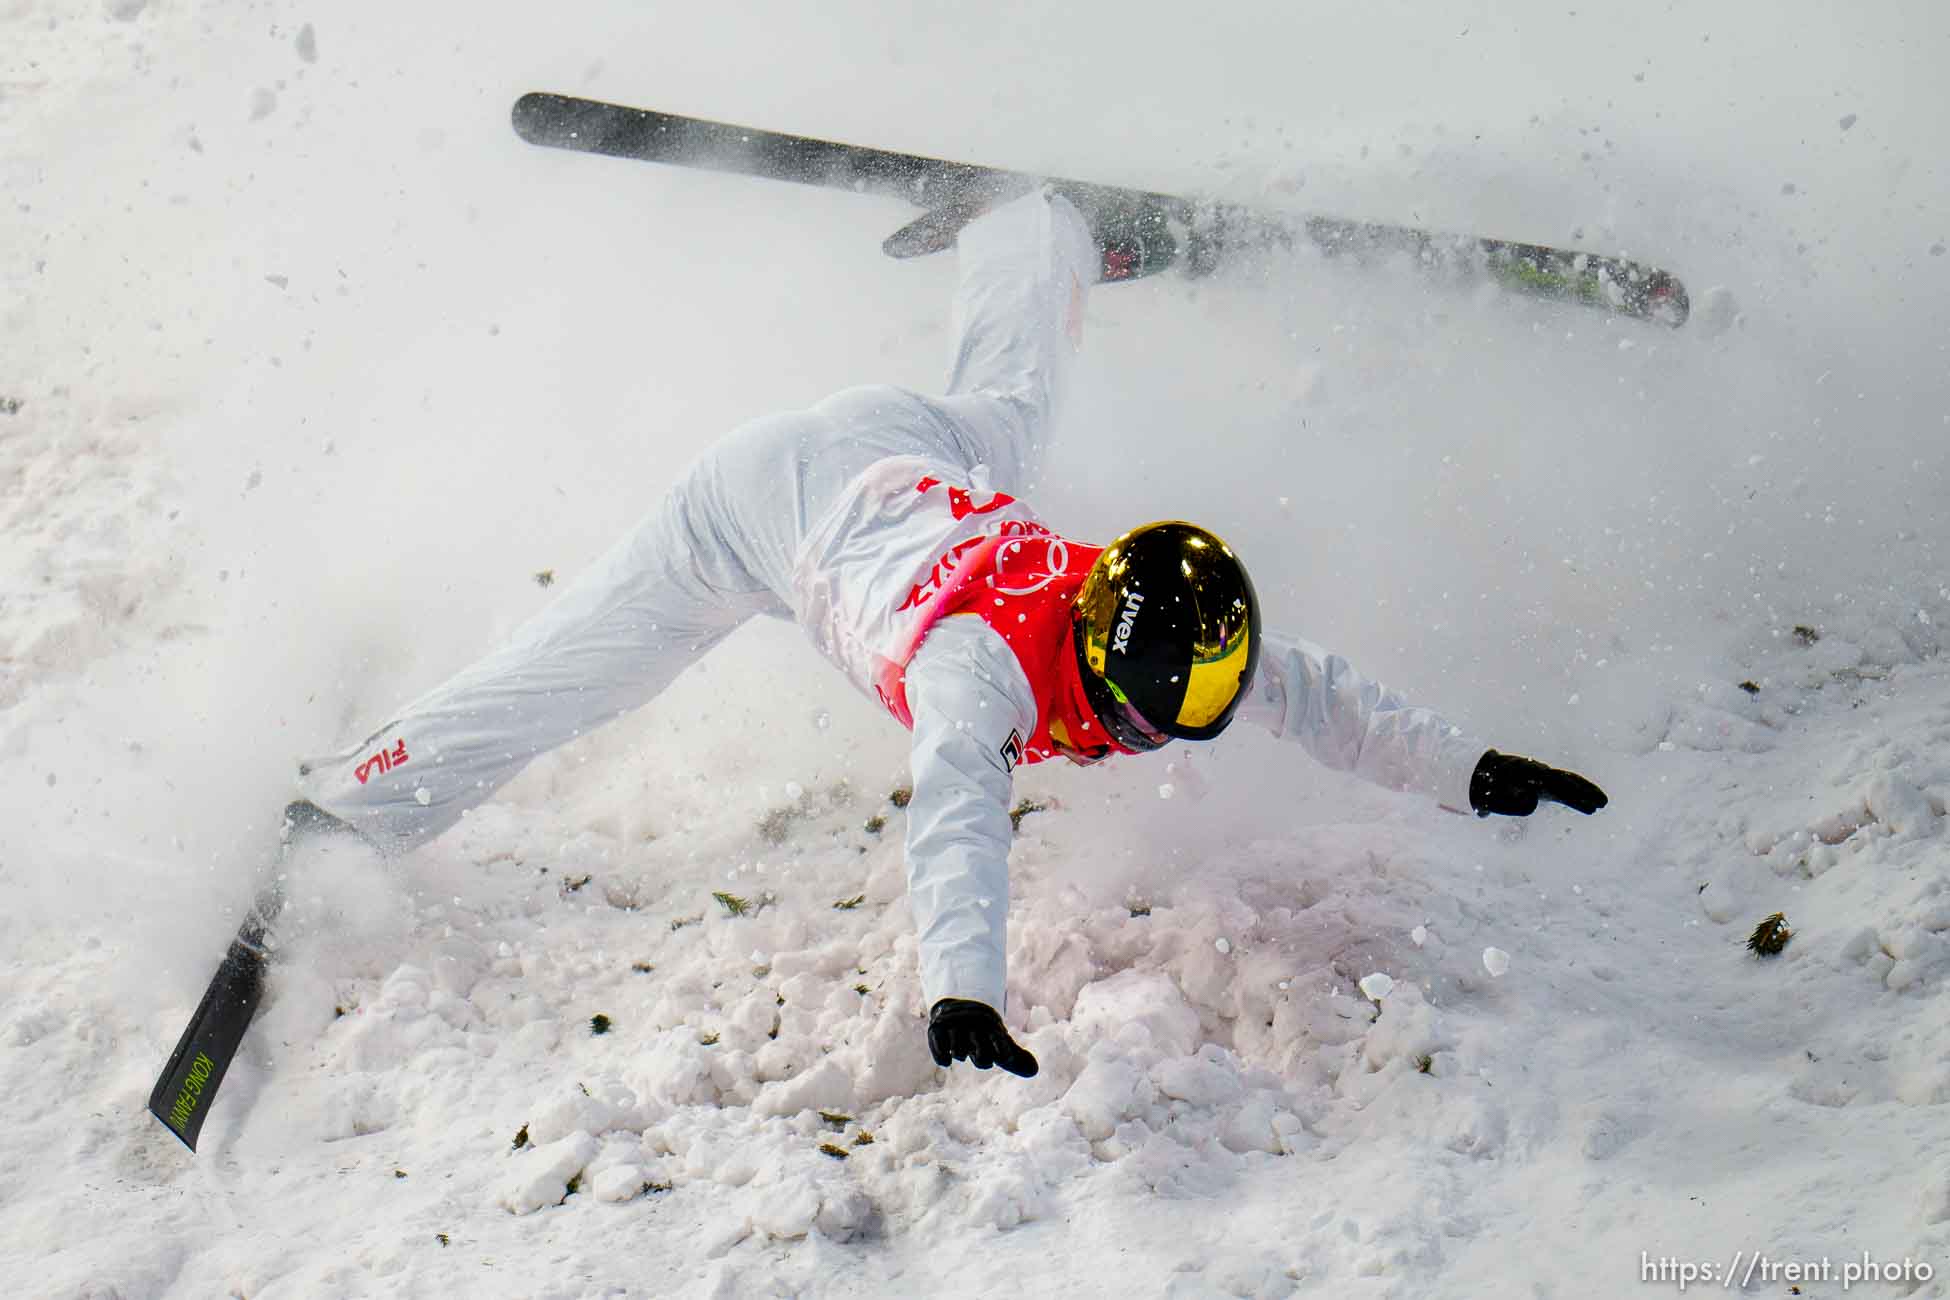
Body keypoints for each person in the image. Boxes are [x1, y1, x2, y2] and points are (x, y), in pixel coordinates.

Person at [287, 190, 1607, 1080]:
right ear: (1101, 672)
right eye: (1169, 715)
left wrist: (1473, 770)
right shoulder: (979, 677)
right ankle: (348, 811)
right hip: (754, 514)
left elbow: (1313, 694)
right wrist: (961, 993)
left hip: (906, 454)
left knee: (1011, 402)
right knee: (573, 675)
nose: (1180, 726)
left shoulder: (1145, 607)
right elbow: (956, 823)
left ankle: (1028, 221)